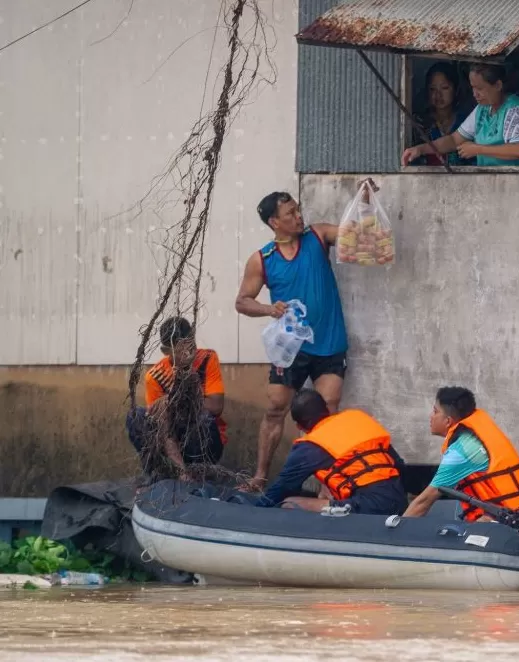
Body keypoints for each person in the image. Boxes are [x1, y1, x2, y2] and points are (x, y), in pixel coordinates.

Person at [235, 180, 374, 492]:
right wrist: (269, 310)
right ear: (275, 222)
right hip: (290, 348)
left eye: (298, 209)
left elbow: (353, 233)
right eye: (290, 212)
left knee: (328, 409)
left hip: (329, 343)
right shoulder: (263, 259)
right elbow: (242, 302)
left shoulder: (318, 235)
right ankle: (259, 477)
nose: (299, 216)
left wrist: (363, 201)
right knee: (275, 408)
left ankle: (328, 487)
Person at [255, 389, 408, 516]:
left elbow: (280, 490)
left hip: (367, 506)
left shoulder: (309, 446)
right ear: (327, 410)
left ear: (299, 427)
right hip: (399, 499)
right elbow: (398, 464)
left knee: (288, 503)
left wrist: (254, 511)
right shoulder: (357, 418)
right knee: (327, 493)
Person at [402, 386, 519, 522]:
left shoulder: (462, 451)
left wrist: (398, 530)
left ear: (448, 421)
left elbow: (424, 501)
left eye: (435, 412)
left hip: (511, 522)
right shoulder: (479, 435)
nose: (431, 416)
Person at [126, 316, 227, 478]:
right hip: (171, 443)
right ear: (166, 352)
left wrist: (173, 400)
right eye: (181, 349)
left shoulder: (207, 358)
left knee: (204, 417)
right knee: (136, 416)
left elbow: (215, 407)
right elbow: (162, 427)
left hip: (202, 443)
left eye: (190, 345)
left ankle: (198, 473)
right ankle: (160, 472)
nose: (188, 353)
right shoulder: (155, 376)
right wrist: (179, 467)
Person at [401, 64, 519, 168]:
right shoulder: (482, 110)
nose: (475, 94)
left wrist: (478, 149)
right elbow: (454, 140)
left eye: (480, 88)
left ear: (497, 85)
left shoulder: (515, 110)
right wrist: (421, 149)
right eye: (473, 88)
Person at [414, 62, 475, 167]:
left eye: (445, 88)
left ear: (455, 89)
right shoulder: (419, 122)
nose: (438, 95)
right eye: (432, 89)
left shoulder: (466, 122)